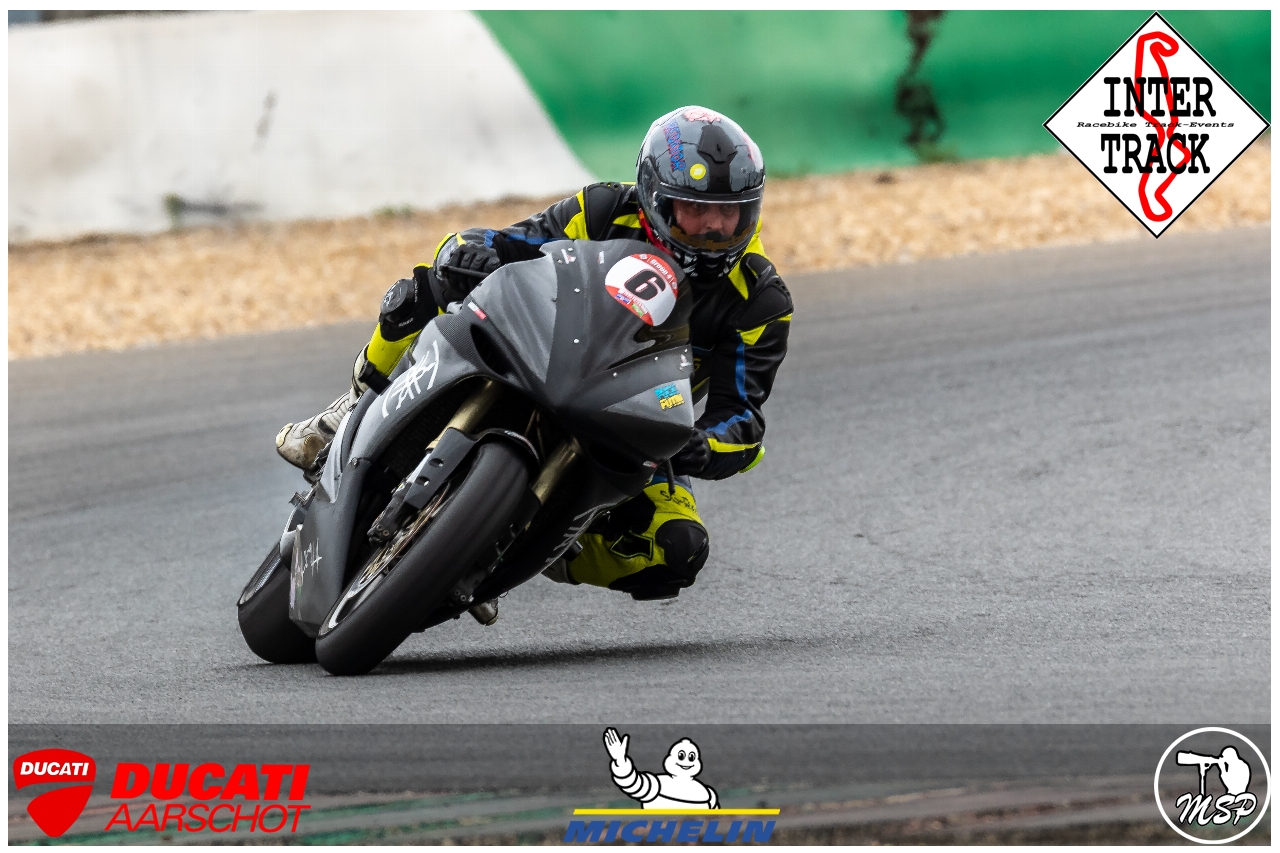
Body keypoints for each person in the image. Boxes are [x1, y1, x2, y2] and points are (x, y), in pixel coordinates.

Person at [276, 106, 792, 612]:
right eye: (696, 210)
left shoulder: (760, 299)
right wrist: (468, 250)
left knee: (678, 547)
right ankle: (351, 406)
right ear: (655, 199)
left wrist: (701, 445)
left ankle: (538, 546)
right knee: (423, 289)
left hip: (632, 427)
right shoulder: (604, 210)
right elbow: (512, 243)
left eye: (730, 213)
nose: (714, 229)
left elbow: (743, 420)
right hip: (542, 352)